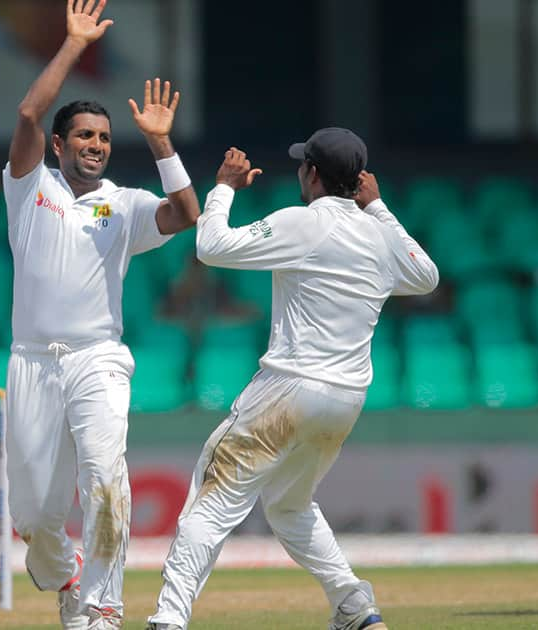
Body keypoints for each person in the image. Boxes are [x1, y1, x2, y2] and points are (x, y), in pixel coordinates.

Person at [145, 128, 440, 630]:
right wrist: (380, 209)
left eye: (304, 165)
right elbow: (426, 276)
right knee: (288, 505)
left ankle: (169, 620)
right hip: (345, 399)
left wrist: (224, 188)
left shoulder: (302, 223)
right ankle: (354, 607)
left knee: (211, 501)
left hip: (289, 388)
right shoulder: (378, 233)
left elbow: (212, 246)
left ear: (313, 174)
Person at [2, 1, 201, 627]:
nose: (96, 146)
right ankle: (63, 570)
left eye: (106, 139)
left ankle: (102, 606)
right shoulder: (29, 186)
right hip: (32, 362)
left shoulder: (127, 204)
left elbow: (187, 215)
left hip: (98, 359)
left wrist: (162, 142)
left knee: (106, 479)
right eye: (85, 136)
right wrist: (72, 45)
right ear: (59, 145)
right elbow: (30, 111)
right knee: (32, 515)